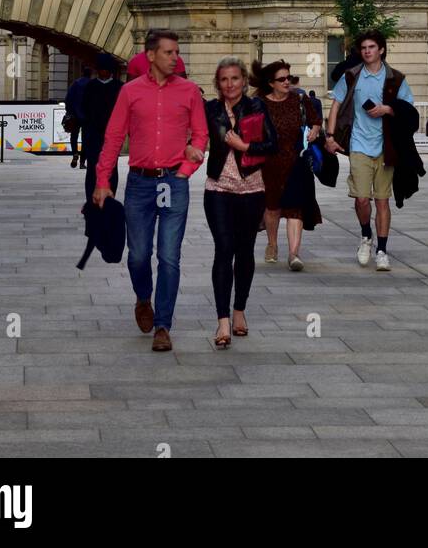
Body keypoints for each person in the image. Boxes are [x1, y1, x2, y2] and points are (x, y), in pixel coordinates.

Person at [93, 29, 207, 353]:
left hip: (173, 182)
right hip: (140, 184)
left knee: (169, 257)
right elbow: (113, 138)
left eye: (177, 52)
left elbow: (200, 135)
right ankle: (144, 297)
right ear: (151, 56)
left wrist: (187, 169)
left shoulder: (189, 92)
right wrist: (103, 181)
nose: (176, 58)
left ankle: (163, 325)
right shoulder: (130, 92)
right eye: (169, 53)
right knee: (139, 255)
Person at [325, 30, 416, 272]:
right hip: (358, 145)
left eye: (372, 47)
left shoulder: (395, 78)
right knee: (362, 199)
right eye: (364, 47)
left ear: (381, 50)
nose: (367, 51)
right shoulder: (351, 76)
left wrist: (387, 109)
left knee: (382, 200)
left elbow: (408, 110)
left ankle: (382, 250)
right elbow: (335, 106)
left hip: (387, 147)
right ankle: (366, 235)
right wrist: (330, 137)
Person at [203, 58, 277, 348]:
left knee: (244, 251)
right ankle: (222, 321)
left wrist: (245, 146)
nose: (230, 85)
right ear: (217, 83)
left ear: (244, 81)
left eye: (235, 79)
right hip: (218, 188)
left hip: (251, 188)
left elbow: (273, 144)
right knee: (224, 249)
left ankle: (239, 310)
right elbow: (195, 133)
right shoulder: (210, 109)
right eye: (224, 80)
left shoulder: (256, 107)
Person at [252, 60, 322, 271]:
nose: (287, 82)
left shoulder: (299, 99)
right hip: (269, 162)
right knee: (272, 208)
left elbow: (316, 120)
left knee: (295, 209)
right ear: (271, 83)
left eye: (289, 78)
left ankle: (294, 254)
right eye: (282, 79)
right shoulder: (259, 103)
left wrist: (315, 130)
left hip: (296, 160)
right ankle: (272, 244)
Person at [81, 53, 123, 203]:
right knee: (93, 167)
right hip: (93, 135)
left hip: (112, 134)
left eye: (106, 70)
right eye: (101, 69)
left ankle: (110, 197)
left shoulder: (119, 87)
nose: (104, 72)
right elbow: (84, 110)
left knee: (112, 166)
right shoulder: (90, 86)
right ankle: (92, 198)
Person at [65, 66, 91, 169]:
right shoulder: (92, 84)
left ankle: (75, 153)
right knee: (86, 139)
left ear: (82, 73)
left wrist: (69, 111)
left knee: (74, 136)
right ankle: (82, 161)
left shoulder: (75, 83)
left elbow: (68, 98)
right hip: (87, 117)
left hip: (75, 115)